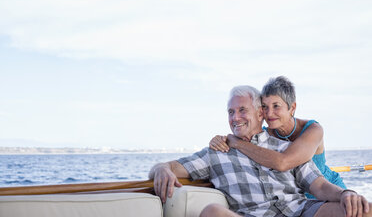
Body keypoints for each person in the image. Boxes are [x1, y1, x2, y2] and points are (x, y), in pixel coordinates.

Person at [149, 85, 371, 217]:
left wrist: (346, 193)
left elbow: (319, 185)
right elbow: (173, 167)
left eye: (242, 110)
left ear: (259, 114)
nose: (235, 118)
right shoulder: (217, 152)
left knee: (364, 209)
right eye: (230, 112)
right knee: (212, 213)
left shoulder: (284, 148)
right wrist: (161, 169)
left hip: (299, 211)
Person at [209, 76, 345, 198]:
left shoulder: (313, 129)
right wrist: (221, 140)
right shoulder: (264, 134)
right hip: (298, 200)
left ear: (292, 108)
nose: (269, 113)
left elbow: (283, 162)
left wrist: (236, 142)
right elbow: (243, 144)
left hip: (328, 190)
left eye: (276, 106)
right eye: (265, 107)